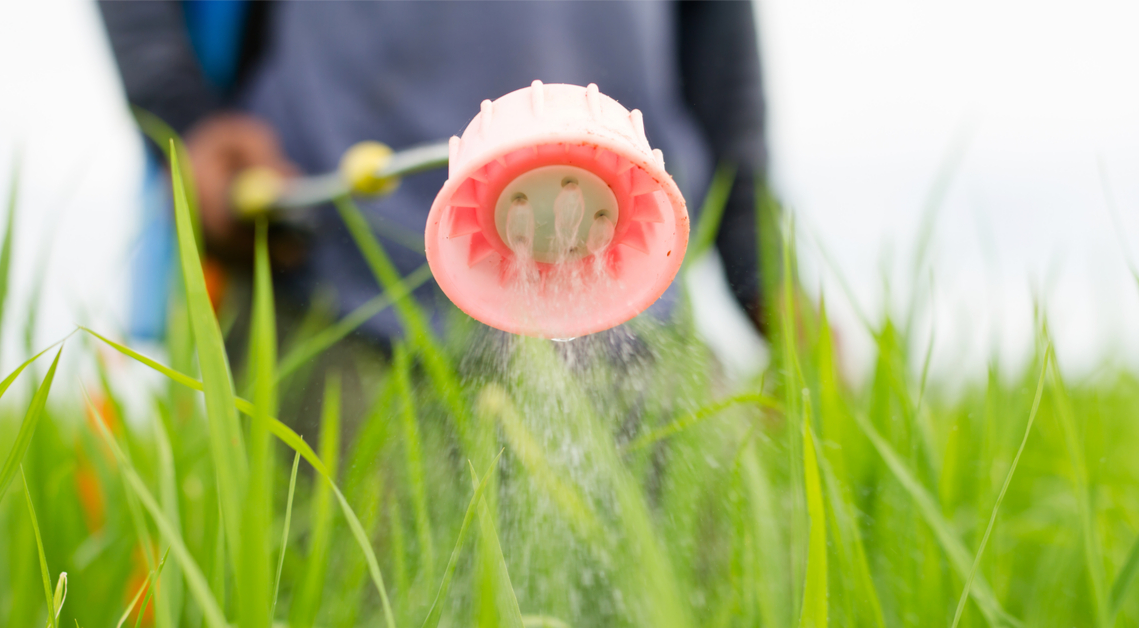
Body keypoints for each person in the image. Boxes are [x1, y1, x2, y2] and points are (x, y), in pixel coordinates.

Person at [99, 1, 768, 431]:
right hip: (338, 290)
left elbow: (718, 32)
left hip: (632, 307)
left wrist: (761, 263)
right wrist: (184, 116)